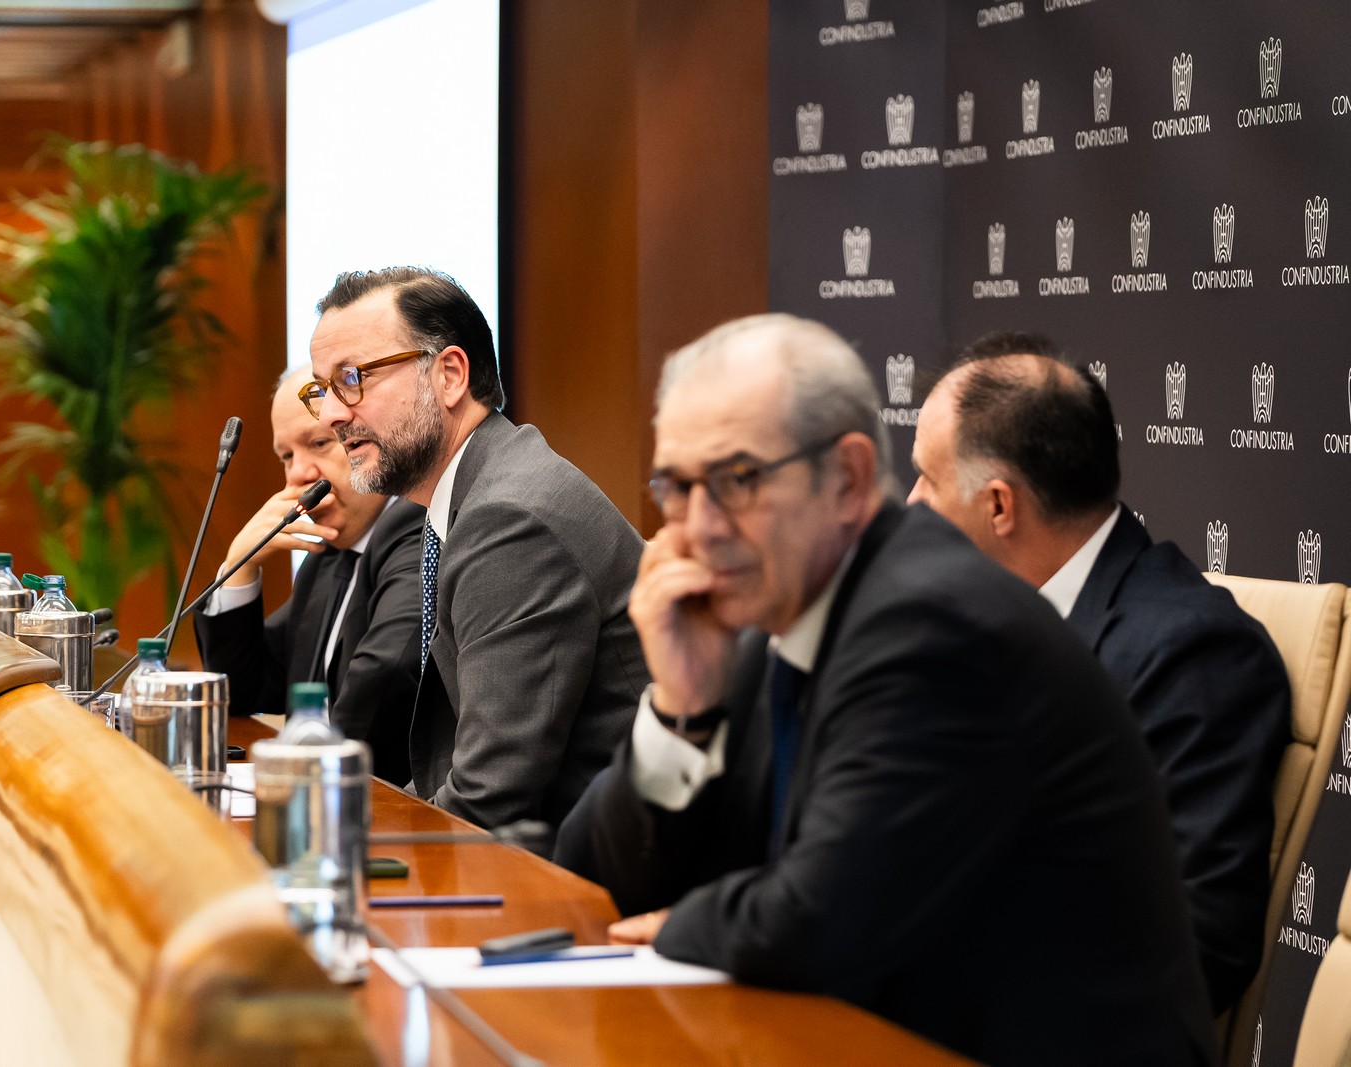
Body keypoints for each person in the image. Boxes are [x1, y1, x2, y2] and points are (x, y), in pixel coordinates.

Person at [557, 313, 1214, 1066]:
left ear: (847, 478)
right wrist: (683, 709)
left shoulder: (928, 623)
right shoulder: (777, 620)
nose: (699, 527)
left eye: (737, 480)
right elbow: (591, 872)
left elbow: (818, 920)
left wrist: (680, 924)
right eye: (678, 486)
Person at [907, 332, 1290, 1015]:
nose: (910, 504)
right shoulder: (964, 626)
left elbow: (1198, 947)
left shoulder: (1191, 654)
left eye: (927, 481)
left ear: (998, 505)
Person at [302, 266, 648, 833]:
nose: (333, 414)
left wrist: (332, 844)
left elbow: (488, 798)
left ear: (450, 375)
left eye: (353, 378)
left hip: (587, 867)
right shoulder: (475, 493)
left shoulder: (509, 519)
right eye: (322, 390)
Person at [194, 367, 424, 783]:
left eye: (318, 443)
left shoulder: (419, 528)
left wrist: (299, 768)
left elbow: (387, 672)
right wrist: (239, 566)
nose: (298, 473)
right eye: (286, 456)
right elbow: (246, 691)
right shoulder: (326, 556)